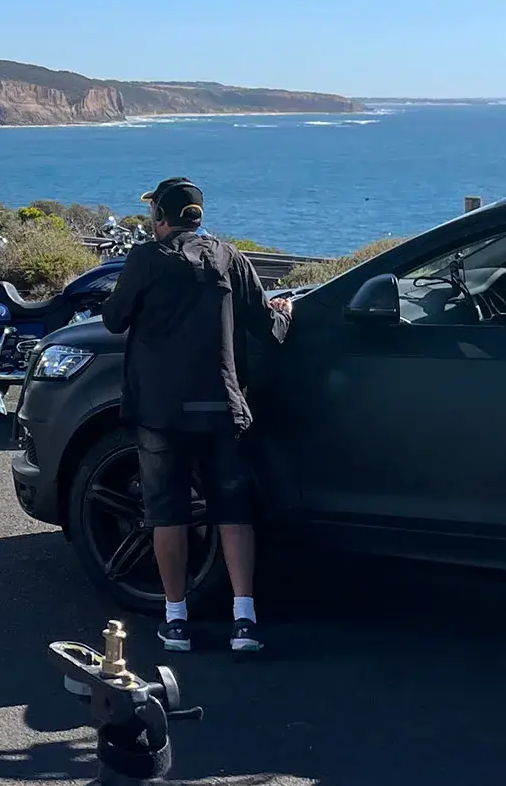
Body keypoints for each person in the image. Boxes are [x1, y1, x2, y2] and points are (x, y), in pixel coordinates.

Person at [100, 176, 293, 656]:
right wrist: (286, 310)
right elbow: (266, 326)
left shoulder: (146, 259)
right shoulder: (229, 258)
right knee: (233, 512)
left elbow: (113, 319)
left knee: (167, 513)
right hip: (220, 406)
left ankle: (177, 621)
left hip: (160, 410)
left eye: (151, 213)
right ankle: (244, 620)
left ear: (160, 218)